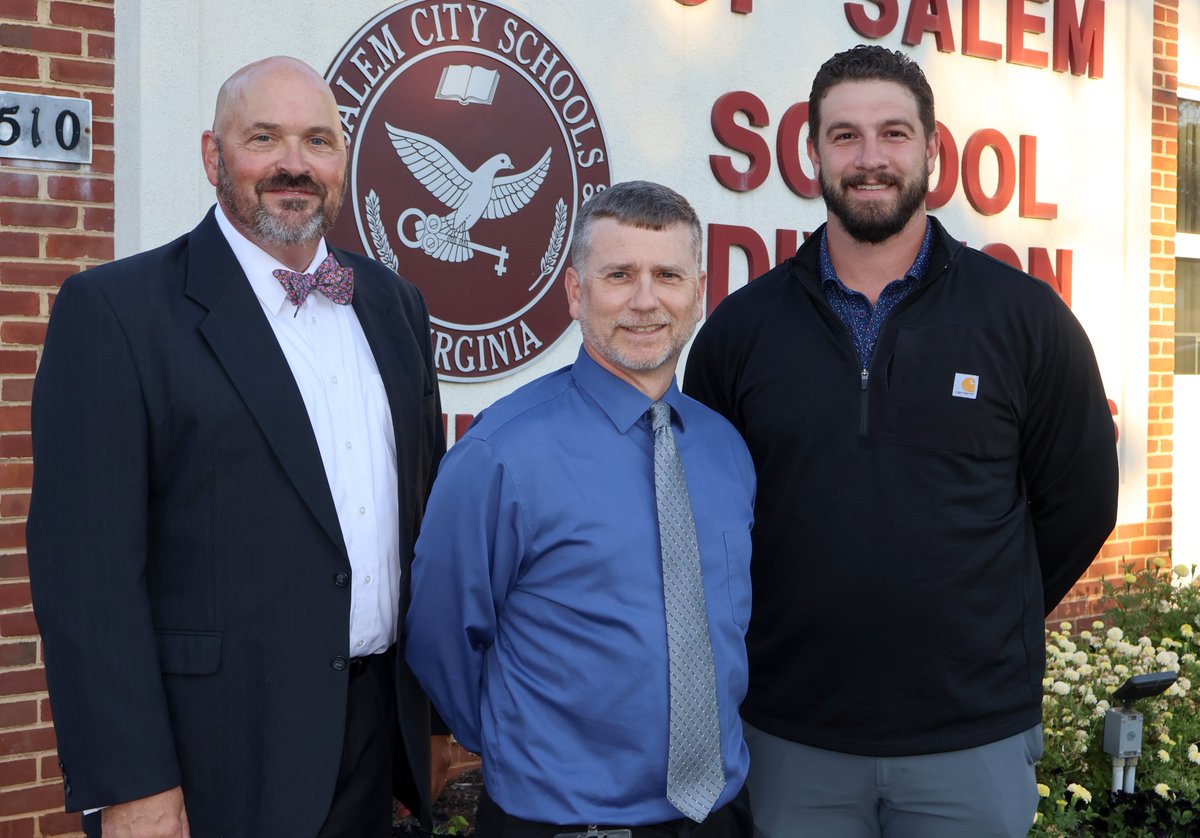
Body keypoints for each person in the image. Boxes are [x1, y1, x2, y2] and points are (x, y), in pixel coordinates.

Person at [684, 45, 1119, 837]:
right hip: (793, 735)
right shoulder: (740, 333)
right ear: (811, 153)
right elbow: (709, 524)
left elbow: (1080, 504)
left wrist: (983, 618)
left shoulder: (1024, 319)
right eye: (845, 136)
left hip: (970, 738)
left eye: (893, 133)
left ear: (932, 152)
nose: (870, 158)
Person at [26, 56, 449, 838]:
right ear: (213, 157)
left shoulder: (395, 306)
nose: (295, 163)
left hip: (369, 742)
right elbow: (85, 579)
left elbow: (413, 518)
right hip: (210, 757)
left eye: (317, 140)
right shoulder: (115, 313)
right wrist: (132, 784)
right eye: (264, 138)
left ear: (342, 160)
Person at [406, 181, 756, 837]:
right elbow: (439, 637)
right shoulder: (501, 455)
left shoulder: (724, 448)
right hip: (565, 821)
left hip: (718, 816)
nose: (645, 299)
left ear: (699, 291)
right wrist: (526, 742)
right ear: (574, 291)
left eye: (667, 275)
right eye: (619, 274)